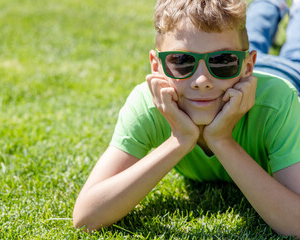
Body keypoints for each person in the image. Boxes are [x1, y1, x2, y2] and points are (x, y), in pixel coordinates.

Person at [73, 0, 300, 236]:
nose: (202, 81)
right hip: (238, 74)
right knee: (254, 38)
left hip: (288, 75)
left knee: (295, 53)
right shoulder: (149, 104)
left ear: (248, 67)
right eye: (182, 61)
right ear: (156, 66)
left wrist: (222, 140)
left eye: (223, 61)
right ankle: (269, 5)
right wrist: (179, 139)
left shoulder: (278, 104)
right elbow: (86, 217)